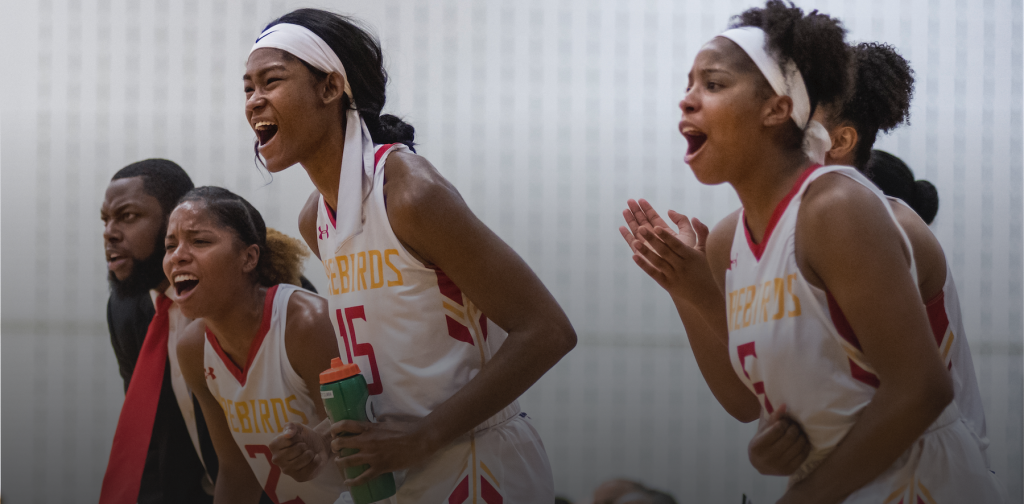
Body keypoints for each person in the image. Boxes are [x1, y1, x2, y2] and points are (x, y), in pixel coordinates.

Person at [619, 2, 1003, 502]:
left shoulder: (845, 209)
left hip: (921, 479)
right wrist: (686, 289)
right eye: (689, 84)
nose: (687, 100)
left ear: (781, 108)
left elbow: (921, 390)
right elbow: (750, 401)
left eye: (711, 84)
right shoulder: (731, 238)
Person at [243, 8, 576, 501]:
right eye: (247, 87)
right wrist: (324, 437)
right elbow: (382, 364)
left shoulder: (410, 193)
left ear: (331, 88)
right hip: (400, 468)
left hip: (480, 465)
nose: (254, 101)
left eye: (271, 81)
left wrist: (423, 436)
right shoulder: (316, 218)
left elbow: (548, 331)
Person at [747, 44, 988, 479]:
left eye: (794, 113)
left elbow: (918, 393)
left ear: (839, 141)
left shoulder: (875, 224)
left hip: (924, 477)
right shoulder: (777, 236)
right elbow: (773, 400)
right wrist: (767, 449)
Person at [171, 186, 347, 503]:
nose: (178, 256)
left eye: (199, 241)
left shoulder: (306, 324)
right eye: (170, 246)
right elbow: (237, 471)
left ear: (249, 257)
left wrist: (319, 445)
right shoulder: (193, 350)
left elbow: (356, 445)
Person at [99, 159, 213, 504]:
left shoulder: (251, 294)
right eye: (105, 220)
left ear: (175, 221)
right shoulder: (124, 309)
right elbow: (149, 434)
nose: (110, 233)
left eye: (128, 216)